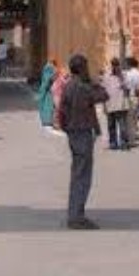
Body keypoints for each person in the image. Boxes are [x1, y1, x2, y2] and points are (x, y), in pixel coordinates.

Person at [58, 53, 108, 229]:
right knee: (82, 176)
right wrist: (94, 81)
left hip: (73, 132)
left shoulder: (68, 86)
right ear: (82, 69)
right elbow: (103, 95)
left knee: (77, 173)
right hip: (83, 132)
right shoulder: (83, 87)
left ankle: (75, 214)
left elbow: (62, 111)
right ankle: (76, 217)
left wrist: (66, 128)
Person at [100, 58, 130, 150]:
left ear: (119, 65)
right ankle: (113, 143)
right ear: (111, 65)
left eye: (117, 64)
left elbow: (127, 88)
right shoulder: (106, 76)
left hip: (121, 105)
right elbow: (103, 91)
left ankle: (124, 143)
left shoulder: (124, 75)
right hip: (110, 104)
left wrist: (121, 78)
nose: (115, 66)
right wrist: (104, 105)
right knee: (111, 126)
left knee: (123, 126)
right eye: (113, 64)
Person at [36, 59, 58, 127]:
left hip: (46, 89)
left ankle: (46, 120)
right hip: (49, 90)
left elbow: (46, 80)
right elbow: (48, 79)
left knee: (44, 105)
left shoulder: (47, 68)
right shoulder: (50, 69)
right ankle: (48, 120)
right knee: (48, 105)